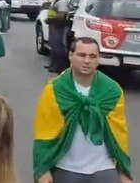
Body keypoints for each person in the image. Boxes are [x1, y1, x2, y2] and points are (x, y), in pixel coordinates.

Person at [33, 37, 132, 183]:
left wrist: (124, 171)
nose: (87, 61)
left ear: (98, 59)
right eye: (81, 55)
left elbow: (119, 134)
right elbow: (43, 134)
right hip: (66, 168)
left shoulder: (112, 91)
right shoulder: (55, 90)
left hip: (104, 168)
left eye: (93, 56)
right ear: (70, 56)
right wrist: (42, 170)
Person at [45, 0, 70, 74]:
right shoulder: (55, 0)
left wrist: (51, 18)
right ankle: (53, 64)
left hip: (58, 26)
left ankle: (59, 66)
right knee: (53, 45)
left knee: (58, 46)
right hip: (53, 25)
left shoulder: (62, 2)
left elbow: (61, 15)